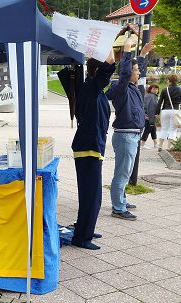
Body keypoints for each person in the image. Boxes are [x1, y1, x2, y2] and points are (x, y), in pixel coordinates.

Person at [71, 50, 115, 250]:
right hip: (88, 148)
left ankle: (86, 229)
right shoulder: (90, 88)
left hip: (91, 146)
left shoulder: (92, 90)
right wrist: (111, 41)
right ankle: (81, 237)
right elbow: (109, 66)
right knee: (91, 195)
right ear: (96, 72)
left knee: (92, 194)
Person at [107, 38, 154, 221]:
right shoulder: (122, 87)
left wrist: (142, 55)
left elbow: (138, 75)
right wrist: (127, 49)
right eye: (135, 70)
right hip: (126, 136)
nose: (138, 72)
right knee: (122, 173)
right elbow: (125, 72)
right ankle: (118, 208)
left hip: (132, 135)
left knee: (124, 172)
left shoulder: (133, 88)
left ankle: (122, 200)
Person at [156, 75, 180, 150]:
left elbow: (160, 102)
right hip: (174, 111)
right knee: (173, 129)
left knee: (164, 128)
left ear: (169, 80)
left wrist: (157, 112)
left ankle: (160, 146)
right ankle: (169, 147)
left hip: (165, 111)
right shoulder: (180, 90)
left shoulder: (165, 90)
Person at [141, 84, 160, 149]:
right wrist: (150, 116)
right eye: (154, 89)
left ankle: (155, 143)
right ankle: (142, 144)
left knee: (153, 129)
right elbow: (151, 107)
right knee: (148, 129)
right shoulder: (151, 96)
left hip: (148, 115)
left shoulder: (150, 96)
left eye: (157, 89)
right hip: (149, 115)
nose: (156, 90)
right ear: (150, 89)